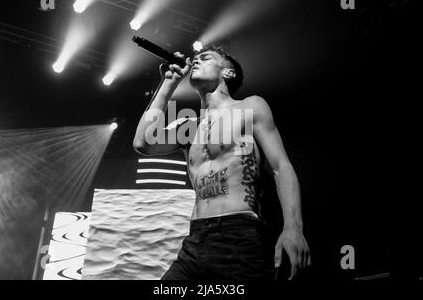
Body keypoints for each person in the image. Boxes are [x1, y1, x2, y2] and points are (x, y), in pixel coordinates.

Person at [133, 45, 311, 280]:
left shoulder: (249, 106)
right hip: (195, 240)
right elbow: (143, 142)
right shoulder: (188, 125)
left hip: (239, 236)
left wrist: (293, 228)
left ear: (228, 73)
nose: (195, 61)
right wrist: (169, 82)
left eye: (205, 58)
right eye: (195, 59)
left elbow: (281, 168)